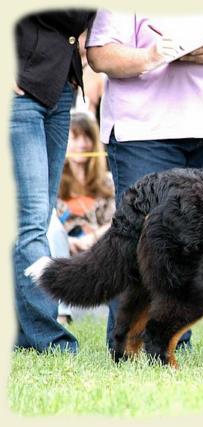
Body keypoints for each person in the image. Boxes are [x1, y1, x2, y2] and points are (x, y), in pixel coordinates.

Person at [85, 10, 203, 351]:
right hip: (144, 132)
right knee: (140, 243)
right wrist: (151, 56)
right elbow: (100, 54)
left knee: (194, 246)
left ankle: (172, 345)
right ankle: (127, 346)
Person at [11, 10, 95, 353]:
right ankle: (50, 338)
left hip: (60, 89)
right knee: (30, 222)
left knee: (35, 221)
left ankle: (23, 334)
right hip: (20, 91)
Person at [55, 112, 115, 324]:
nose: (81, 144)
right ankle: (61, 315)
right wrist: (67, 242)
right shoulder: (53, 182)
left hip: (99, 258)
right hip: (63, 259)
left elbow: (117, 222)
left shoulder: (108, 183)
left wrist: (92, 239)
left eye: (86, 137)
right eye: (75, 137)